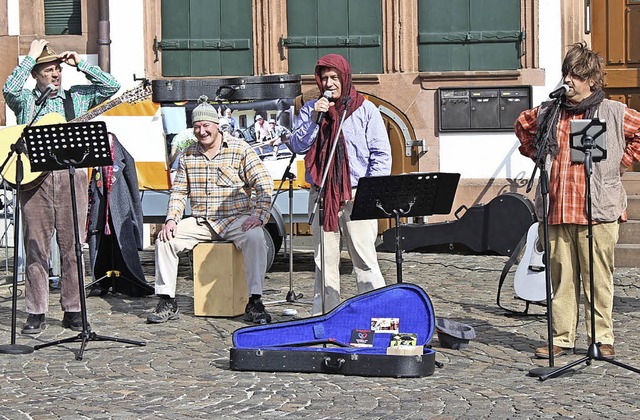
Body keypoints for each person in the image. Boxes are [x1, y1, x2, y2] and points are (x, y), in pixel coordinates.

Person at [515, 42, 640, 360]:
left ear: (592, 80)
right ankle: (562, 338)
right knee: (562, 277)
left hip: (598, 209)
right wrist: (538, 151)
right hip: (559, 206)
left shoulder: (613, 111)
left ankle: (602, 338)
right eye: (566, 73)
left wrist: (623, 161)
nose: (569, 79)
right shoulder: (551, 110)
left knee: (598, 278)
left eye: (576, 75)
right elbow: (523, 125)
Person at [2, 39, 121, 333]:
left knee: (72, 247)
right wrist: (29, 56)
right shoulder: (26, 100)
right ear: (36, 74)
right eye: (48, 70)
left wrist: (80, 63)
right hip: (35, 181)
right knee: (36, 247)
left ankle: (74, 309)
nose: (55, 74)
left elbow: (112, 87)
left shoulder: (76, 98)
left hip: (72, 177)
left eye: (57, 69)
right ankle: (36, 311)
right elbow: (9, 89)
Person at [147, 95, 274, 324]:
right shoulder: (188, 155)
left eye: (206, 125)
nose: (202, 131)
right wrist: (171, 220)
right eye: (196, 127)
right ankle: (166, 300)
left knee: (256, 238)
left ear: (216, 125)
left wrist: (259, 216)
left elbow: (263, 182)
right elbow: (178, 192)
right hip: (201, 221)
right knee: (165, 240)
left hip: (236, 219)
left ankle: (255, 301)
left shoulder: (240, 149)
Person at [288, 54, 392, 315]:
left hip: (358, 195)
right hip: (323, 195)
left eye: (334, 77)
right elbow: (298, 145)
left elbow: (381, 155)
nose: (329, 83)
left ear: (345, 77)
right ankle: (325, 316)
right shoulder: (311, 108)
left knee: (365, 259)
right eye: (324, 78)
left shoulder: (365, 109)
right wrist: (314, 118)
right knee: (324, 263)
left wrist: (367, 191)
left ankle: (374, 316)